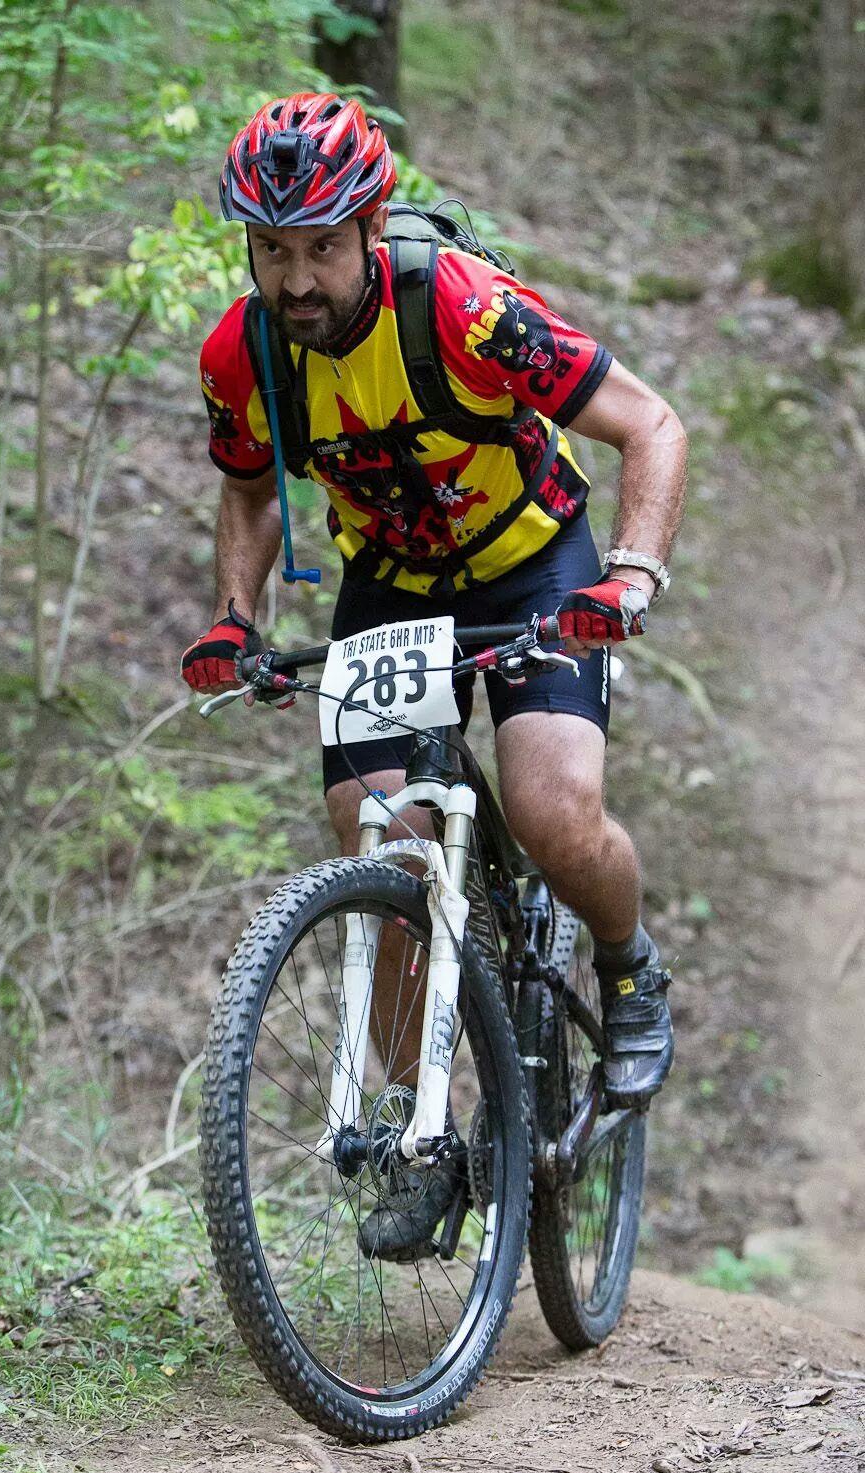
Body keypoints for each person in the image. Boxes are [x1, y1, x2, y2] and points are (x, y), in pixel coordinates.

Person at [182, 92, 687, 1257]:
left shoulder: (465, 308)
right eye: (272, 251)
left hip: (530, 563)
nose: (295, 279)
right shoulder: (244, 351)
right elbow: (251, 489)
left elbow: (649, 424)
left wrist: (630, 577)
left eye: (319, 248)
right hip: (394, 584)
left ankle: (627, 969)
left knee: (557, 818)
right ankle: (428, 1140)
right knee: (379, 839)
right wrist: (232, 615)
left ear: (370, 228)